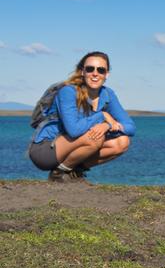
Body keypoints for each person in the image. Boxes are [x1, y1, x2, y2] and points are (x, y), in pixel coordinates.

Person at [28, 51, 135, 182]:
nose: (95, 74)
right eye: (90, 69)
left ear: (107, 74)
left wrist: (106, 125)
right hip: (46, 149)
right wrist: (102, 115)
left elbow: (130, 127)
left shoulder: (107, 94)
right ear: (82, 71)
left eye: (101, 70)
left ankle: (73, 172)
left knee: (122, 142)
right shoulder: (68, 91)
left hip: (74, 145)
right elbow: (74, 130)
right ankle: (58, 173)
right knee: (95, 138)